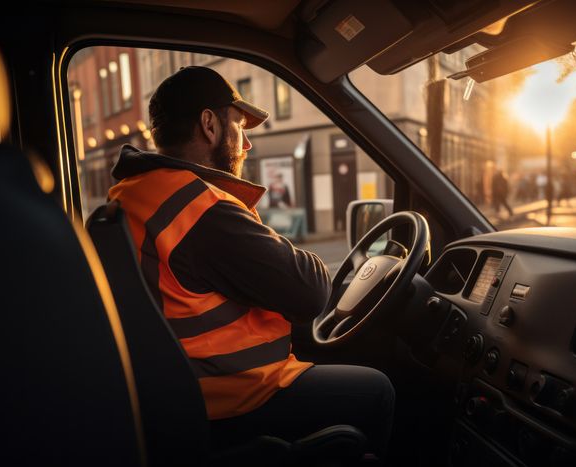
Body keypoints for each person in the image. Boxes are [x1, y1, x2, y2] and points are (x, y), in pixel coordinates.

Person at [107, 66, 394, 456]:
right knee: (377, 390)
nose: (247, 145)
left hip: (174, 396)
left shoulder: (128, 195)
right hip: (231, 399)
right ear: (209, 125)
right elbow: (311, 292)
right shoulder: (202, 209)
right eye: (240, 127)